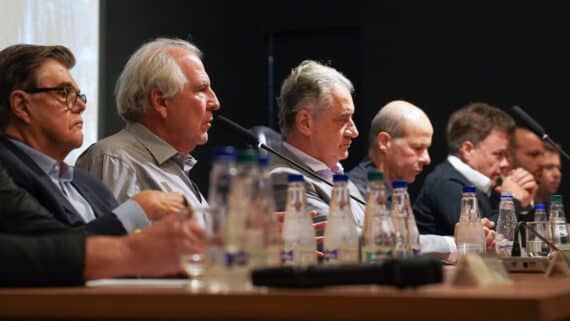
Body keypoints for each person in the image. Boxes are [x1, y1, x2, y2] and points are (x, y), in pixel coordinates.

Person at [270, 60, 460, 258]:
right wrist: (451, 244)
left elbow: (389, 237)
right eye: (343, 120)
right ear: (305, 122)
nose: (354, 131)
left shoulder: (336, 175)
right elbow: (356, 246)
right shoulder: (285, 179)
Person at [0, 44, 183, 235]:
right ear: (21, 106)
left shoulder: (89, 184)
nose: (80, 105)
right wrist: (136, 211)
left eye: (79, 95)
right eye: (63, 93)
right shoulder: (5, 177)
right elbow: (53, 251)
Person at [77, 38, 219, 228]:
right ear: (160, 101)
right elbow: (110, 247)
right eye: (201, 89)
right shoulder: (114, 160)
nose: (215, 102)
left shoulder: (175, 166)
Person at [0, 162, 205, 287]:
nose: (81, 105)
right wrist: (132, 252)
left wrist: (152, 264)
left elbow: (60, 240)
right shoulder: (111, 156)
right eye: (63, 92)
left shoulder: (85, 180)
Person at [348, 100, 495, 253]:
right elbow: (384, 248)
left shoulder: (396, 190)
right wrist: (454, 243)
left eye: (427, 149)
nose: (427, 159)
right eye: (417, 148)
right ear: (385, 142)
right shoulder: (351, 193)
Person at [414, 102, 538, 236]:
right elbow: (480, 242)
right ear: (468, 150)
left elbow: (523, 243)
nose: (505, 164)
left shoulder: (488, 185)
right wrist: (511, 201)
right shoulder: (446, 183)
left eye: (507, 155)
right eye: (498, 154)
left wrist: (524, 204)